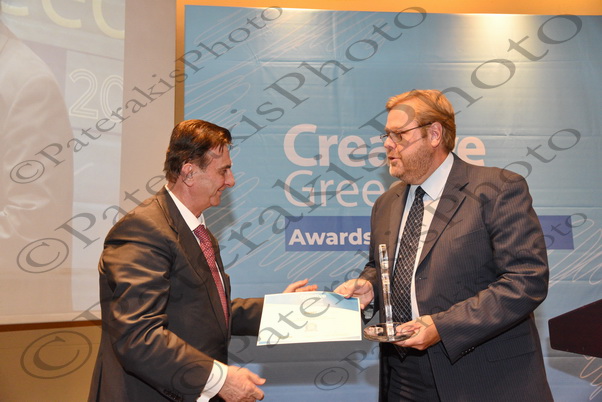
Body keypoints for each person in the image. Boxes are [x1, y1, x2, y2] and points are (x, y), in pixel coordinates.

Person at [335, 90, 553, 401]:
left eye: (398, 134)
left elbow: (526, 280)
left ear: (434, 134)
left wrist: (443, 326)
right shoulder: (386, 203)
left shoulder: (497, 189)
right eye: (387, 135)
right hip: (402, 377)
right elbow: (380, 266)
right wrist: (369, 286)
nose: (387, 144)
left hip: (482, 377)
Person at [88, 119, 316, 402]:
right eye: (223, 171)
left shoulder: (197, 231)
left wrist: (280, 309)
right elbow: (139, 336)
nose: (231, 181)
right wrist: (219, 379)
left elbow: (203, 311)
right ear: (189, 172)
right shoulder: (143, 230)